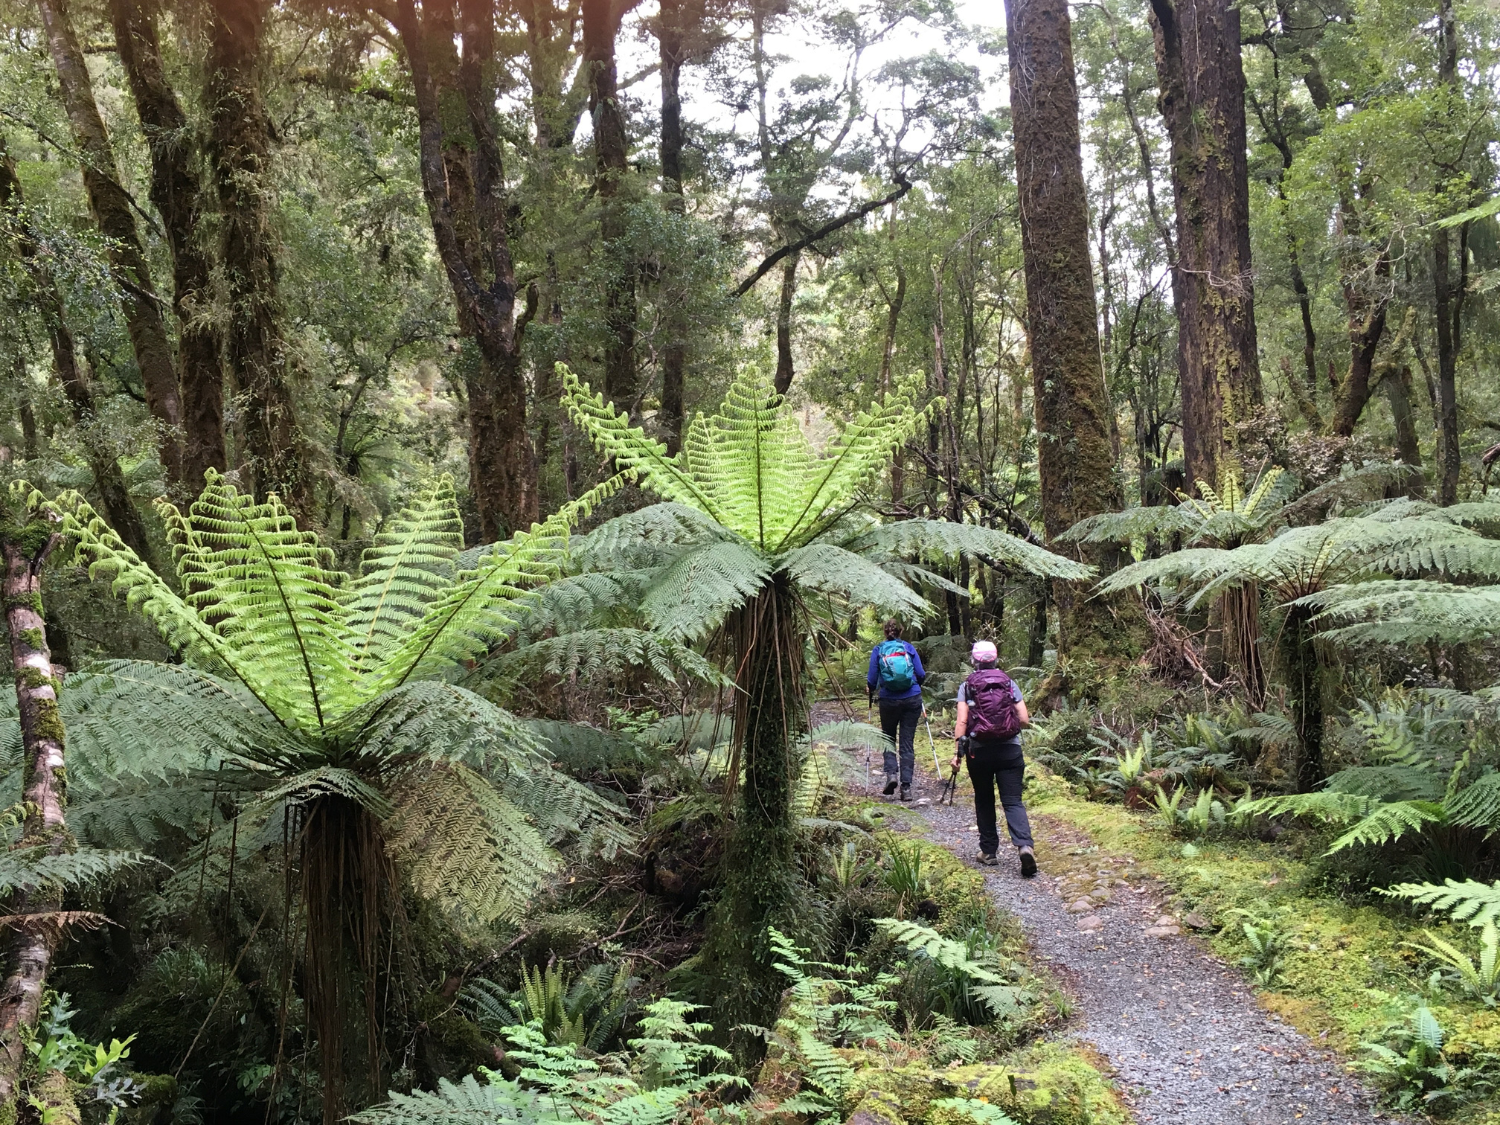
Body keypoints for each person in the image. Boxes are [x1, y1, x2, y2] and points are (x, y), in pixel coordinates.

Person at [950, 640, 1037, 876]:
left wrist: (958, 753)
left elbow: (962, 722)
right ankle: (1025, 847)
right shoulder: (1008, 682)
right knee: (1013, 800)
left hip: (980, 752)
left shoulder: (967, 686)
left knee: (984, 799)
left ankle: (988, 852)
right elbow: (1025, 719)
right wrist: (1005, 728)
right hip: (1010, 751)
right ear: (996, 659)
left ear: (974, 662)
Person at [867, 619, 926, 801]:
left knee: (889, 738)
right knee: (907, 742)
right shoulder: (908, 648)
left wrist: (872, 689)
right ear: (901, 631)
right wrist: (915, 685)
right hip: (912, 699)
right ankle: (906, 788)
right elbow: (921, 674)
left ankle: (891, 775)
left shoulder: (878, 650)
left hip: (889, 701)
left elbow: (871, 680)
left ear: (885, 632)